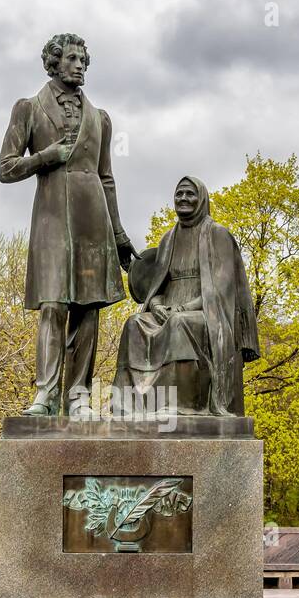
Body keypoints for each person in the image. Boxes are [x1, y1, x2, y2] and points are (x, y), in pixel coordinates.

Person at [0, 33, 136, 416]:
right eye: (73, 59)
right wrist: (45, 156)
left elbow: (106, 177)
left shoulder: (100, 118)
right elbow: (6, 169)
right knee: (53, 305)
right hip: (52, 218)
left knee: (88, 308)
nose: (80, 66)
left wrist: (119, 233)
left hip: (94, 223)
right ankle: (46, 393)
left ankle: (79, 396)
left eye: (84, 61)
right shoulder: (28, 109)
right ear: (54, 63)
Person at [113, 175, 259, 417]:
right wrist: (157, 305)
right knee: (134, 324)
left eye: (190, 194)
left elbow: (220, 289)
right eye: (179, 194)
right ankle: (129, 407)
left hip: (208, 314)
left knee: (178, 324)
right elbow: (158, 286)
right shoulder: (168, 238)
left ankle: (179, 404)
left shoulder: (217, 235)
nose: (183, 198)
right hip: (168, 311)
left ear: (201, 198)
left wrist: (184, 308)